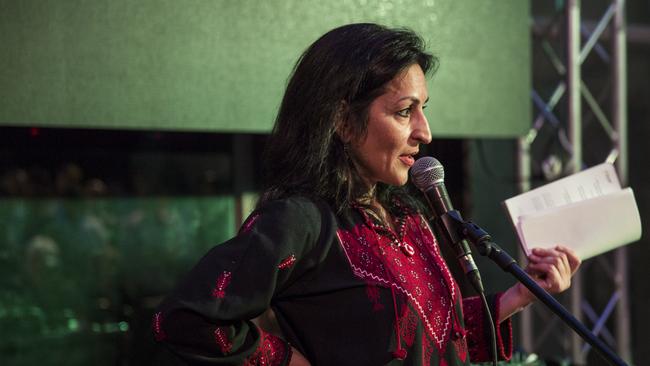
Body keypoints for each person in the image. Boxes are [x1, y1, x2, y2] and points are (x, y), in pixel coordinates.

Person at [153, 23, 580, 365]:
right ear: (341, 119)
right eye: (403, 111)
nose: (424, 132)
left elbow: (431, 340)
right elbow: (187, 318)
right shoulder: (300, 220)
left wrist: (519, 295)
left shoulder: (408, 216)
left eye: (423, 109)